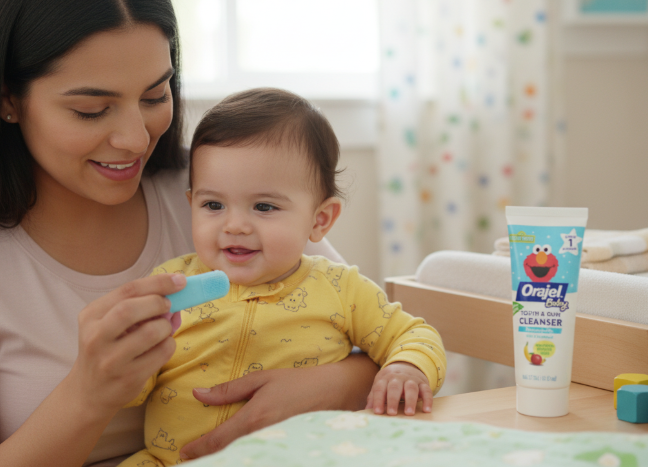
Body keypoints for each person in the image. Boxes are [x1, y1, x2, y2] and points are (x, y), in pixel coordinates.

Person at [0, 0, 381, 465]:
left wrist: (326, 384)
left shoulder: (213, 199)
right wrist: (88, 395)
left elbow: (380, 339)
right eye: (92, 110)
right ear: (7, 99)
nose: (136, 139)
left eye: (155, 96)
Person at [122, 88, 447, 467]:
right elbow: (130, 392)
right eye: (213, 205)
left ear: (319, 219)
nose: (235, 225)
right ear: (191, 203)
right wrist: (132, 356)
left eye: (264, 206)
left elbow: (414, 334)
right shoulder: (172, 284)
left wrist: (405, 367)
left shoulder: (340, 288)